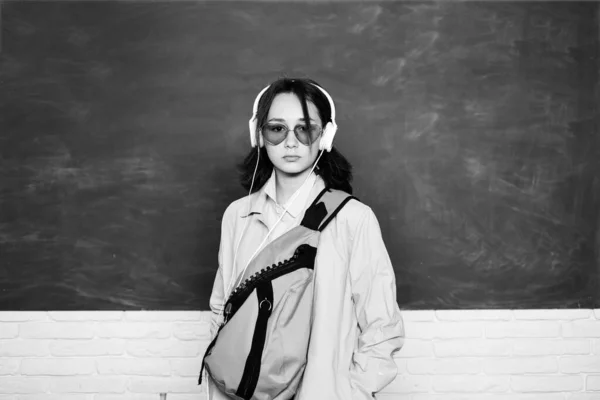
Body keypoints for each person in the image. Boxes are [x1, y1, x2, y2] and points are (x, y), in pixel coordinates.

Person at [207, 77, 404, 400]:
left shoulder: (352, 219)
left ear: (324, 136)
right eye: (277, 129)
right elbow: (221, 311)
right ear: (258, 134)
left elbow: (382, 325)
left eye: (305, 129)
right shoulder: (238, 216)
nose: (291, 142)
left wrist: (353, 391)